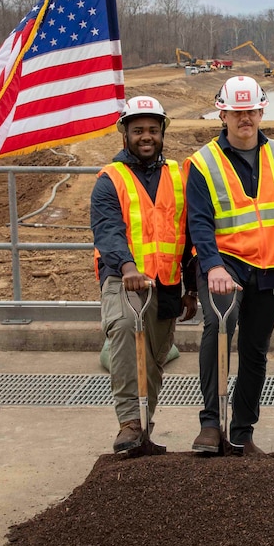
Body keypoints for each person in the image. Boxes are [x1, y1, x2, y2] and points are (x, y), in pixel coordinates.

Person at [185, 75, 274, 456]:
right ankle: (210, 423)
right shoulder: (203, 162)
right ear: (222, 114)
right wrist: (212, 267)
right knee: (218, 326)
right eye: (237, 112)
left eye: (251, 111)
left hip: (272, 266)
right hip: (225, 265)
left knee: (255, 350)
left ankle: (241, 432)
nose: (245, 118)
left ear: (261, 112)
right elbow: (199, 222)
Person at [91, 95, 197, 454]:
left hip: (166, 283)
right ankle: (129, 423)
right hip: (124, 280)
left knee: (153, 360)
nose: (146, 136)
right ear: (126, 134)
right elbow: (108, 230)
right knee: (124, 333)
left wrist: (191, 289)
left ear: (162, 132)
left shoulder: (178, 176)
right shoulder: (110, 179)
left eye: (153, 129)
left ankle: (143, 429)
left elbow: (189, 235)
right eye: (138, 130)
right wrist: (128, 268)